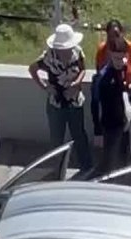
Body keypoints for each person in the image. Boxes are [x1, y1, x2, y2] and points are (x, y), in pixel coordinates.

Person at [29, 24, 93, 173]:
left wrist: (76, 84)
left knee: (79, 134)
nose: (66, 51)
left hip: (75, 101)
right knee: (57, 138)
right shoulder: (48, 57)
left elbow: (83, 69)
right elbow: (33, 69)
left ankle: (86, 166)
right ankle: (57, 169)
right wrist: (45, 87)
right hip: (56, 103)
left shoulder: (77, 52)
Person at [91, 36, 131, 174]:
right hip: (110, 125)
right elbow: (95, 103)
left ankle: (126, 180)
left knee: (126, 157)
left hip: (123, 121)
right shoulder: (102, 78)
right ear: (110, 55)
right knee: (108, 162)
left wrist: (129, 92)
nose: (119, 62)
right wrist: (97, 131)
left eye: (122, 58)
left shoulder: (122, 68)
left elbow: (121, 93)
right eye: (116, 58)